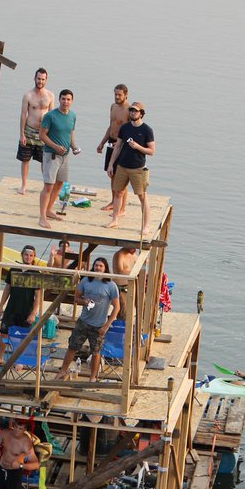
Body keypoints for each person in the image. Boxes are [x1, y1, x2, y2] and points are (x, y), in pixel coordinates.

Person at [54, 257, 120, 383]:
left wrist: (107, 325)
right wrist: (84, 301)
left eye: (101, 266)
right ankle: (62, 371)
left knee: (95, 352)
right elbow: (76, 298)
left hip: (99, 325)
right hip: (83, 321)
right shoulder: (85, 281)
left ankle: (92, 377)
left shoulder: (111, 285)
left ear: (105, 268)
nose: (98, 268)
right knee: (72, 347)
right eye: (96, 265)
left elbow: (117, 307)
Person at [106, 103, 155, 233]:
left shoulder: (147, 130)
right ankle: (115, 219)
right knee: (118, 193)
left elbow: (151, 151)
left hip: (138, 168)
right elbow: (117, 146)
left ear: (141, 113)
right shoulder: (125, 128)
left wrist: (137, 147)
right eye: (131, 111)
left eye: (136, 111)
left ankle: (146, 225)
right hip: (122, 165)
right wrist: (111, 164)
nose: (133, 113)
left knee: (142, 196)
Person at [38, 89, 79, 229]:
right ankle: (42, 217)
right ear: (59, 100)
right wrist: (55, 146)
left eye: (68, 99)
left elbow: (70, 134)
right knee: (48, 185)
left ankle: (49, 210)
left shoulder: (72, 116)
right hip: (52, 155)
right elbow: (42, 136)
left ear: (71, 101)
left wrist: (74, 147)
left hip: (65, 155)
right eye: (63, 99)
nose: (65, 102)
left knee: (60, 183)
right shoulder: (50, 116)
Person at [0, 245, 42, 363]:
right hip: (11, 309)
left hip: (26, 311)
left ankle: (20, 361)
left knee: (23, 337)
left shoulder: (36, 273)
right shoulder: (13, 270)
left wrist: (33, 313)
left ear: (34, 257)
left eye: (31, 255)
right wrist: (1, 306)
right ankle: (0, 357)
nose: (28, 257)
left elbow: (38, 296)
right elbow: (7, 289)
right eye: (26, 254)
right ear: (22, 255)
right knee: (3, 333)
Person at [17, 68, 55, 195]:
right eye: (38, 79)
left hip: (43, 133)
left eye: (43, 79)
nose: (40, 81)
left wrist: (51, 135)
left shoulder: (50, 95)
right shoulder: (28, 95)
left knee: (44, 160)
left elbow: (51, 116)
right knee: (25, 159)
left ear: (46, 80)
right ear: (34, 78)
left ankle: (45, 185)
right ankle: (23, 185)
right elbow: (23, 114)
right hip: (29, 130)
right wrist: (21, 134)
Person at [97, 84, 129, 213]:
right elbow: (111, 126)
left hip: (121, 144)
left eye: (119, 95)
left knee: (121, 177)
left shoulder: (128, 109)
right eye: (115, 94)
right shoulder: (113, 106)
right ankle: (113, 201)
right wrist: (102, 143)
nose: (117, 97)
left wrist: (122, 144)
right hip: (111, 142)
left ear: (126, 95)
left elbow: (129, 131)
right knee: (111, 174)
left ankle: (122, 208)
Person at [111, 245, 137, 320]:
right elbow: (120, 271)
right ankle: (122, 326)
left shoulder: (133, 255)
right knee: (124, 311)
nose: (135, 250)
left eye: (136, 248)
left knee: (140, 305)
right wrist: (134, 273)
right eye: (133, 248)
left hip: (130, 286)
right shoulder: (119, 254)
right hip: (121, 287)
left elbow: (142, 262)